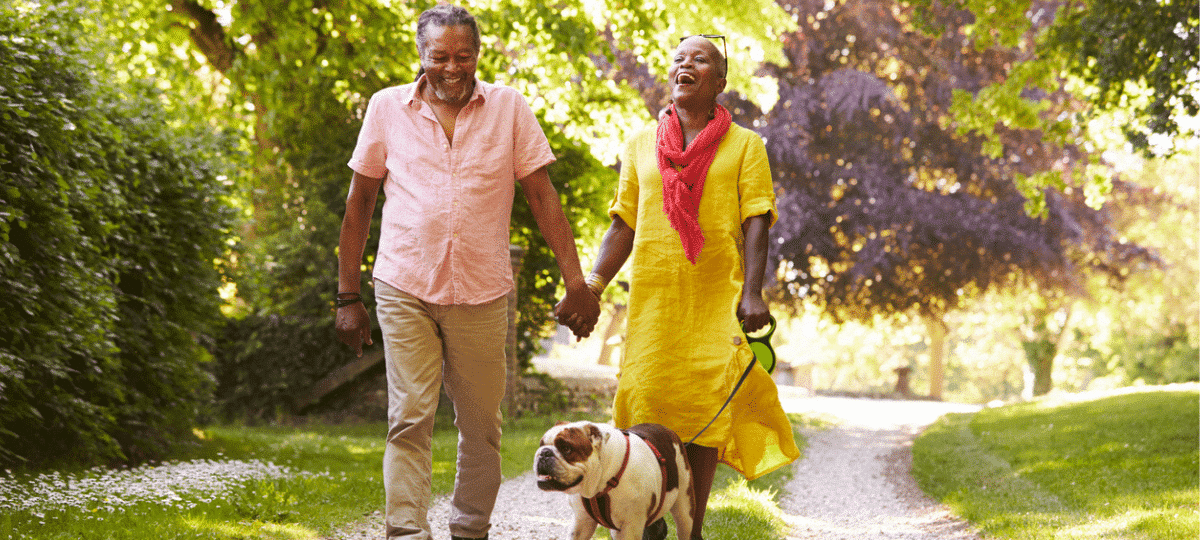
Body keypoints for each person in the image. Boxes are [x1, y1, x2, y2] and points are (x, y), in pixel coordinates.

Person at [334, 5, 600, 539]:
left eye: (463, 56)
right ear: (421, 56)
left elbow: (543, 198)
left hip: (482, 291)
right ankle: (407, 531)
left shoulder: (509, 108)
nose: (452, 68)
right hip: (404, 283)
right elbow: (360, 201)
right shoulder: (387, 108)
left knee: (482, 427)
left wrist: (578, 283)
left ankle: (470, 529)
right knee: (409, 417)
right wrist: (347, 295)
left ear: (478, 55)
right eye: (439, 57)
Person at [579, 35, 800, 540]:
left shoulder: (746, 145)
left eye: (699, 59)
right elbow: (623, 224)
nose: (685, 65)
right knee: (642, 404)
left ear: (719, 81)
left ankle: (691, 530)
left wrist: (753, 293)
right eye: (679, 58)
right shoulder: (639, 145)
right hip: (654, 302)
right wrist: (592, 283)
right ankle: (647, 515)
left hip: (715, 299)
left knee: (703, 415)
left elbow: (757, 222)